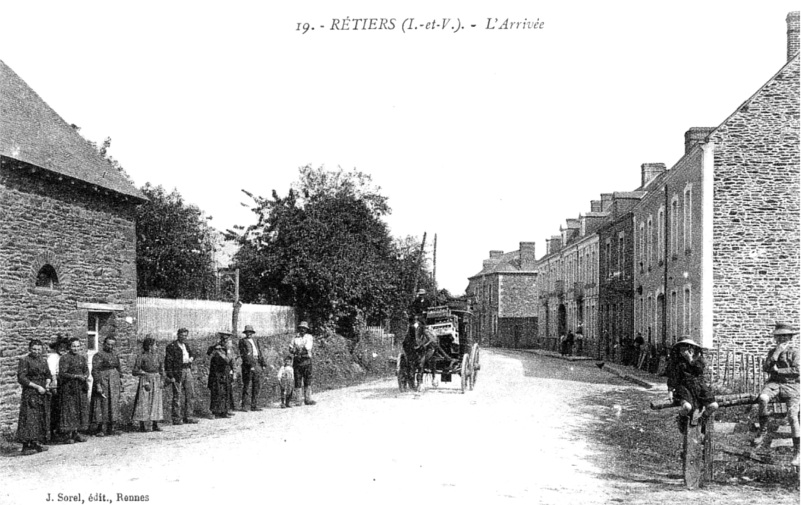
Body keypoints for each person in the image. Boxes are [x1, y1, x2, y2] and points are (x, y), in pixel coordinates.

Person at [752, 322, 799, 466]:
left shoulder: (795, 352)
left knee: (792, 416)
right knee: (763, 398)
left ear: (790, 338)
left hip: (792, 385)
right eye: (779, 337)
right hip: (774, 384)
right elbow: (766, 367)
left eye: (785, 337)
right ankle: (762, 430)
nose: (782, 340)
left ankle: (798, 452)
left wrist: (779, 370)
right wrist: (777, 353)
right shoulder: (772, 352)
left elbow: (798, 370)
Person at [666, 338, 718, 433]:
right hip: (684, 387)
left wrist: (690, 359)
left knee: (713, 405)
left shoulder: (698, 358)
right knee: (687, 407)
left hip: (699, 386)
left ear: (691, 348)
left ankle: (702, 421)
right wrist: (670, 391)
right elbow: (673, 377)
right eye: (681, 348)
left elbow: (700, 370)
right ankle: (681, 419)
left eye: (686, 347)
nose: (684, 350)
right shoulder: (676, 361)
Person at [17, 339, 51, 455]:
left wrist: (46, 384)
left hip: (42, 391)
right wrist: (37, 387)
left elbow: (48, 374)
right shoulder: (25, 360)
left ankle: (36, 442)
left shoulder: (43, 361)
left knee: (40, 417)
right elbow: (22, 378)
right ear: (29, 349)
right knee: (29, 418)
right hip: (30, 392)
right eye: (34, 349)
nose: (36, 351)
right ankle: (26, 446)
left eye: (39, 349)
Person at [90, 336, 123, 437]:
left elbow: (119, 368)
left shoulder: (115, 355)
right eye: (108, 344)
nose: (110, 346)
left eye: (112, 345)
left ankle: (112, 427)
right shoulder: (98, 355)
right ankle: (101, 429)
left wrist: (121, 382)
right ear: (104, 344)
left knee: (113, 403)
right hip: (103, 380)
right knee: (102, 403)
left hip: (114, 380)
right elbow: (95, 371)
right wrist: (98, 385)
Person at [58, 338, 89, 443]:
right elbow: (62, 373)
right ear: (69, 347)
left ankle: (76, 433)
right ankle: (68, 435)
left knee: (79, 409)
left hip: (80, 387)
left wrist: (85, 376)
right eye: (73, 346)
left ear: (80, 347)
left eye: (77, 346)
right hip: (69, 387)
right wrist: (76, 376)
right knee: (70, 410)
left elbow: (86, 370)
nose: (75, 348)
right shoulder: (65, 358)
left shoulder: (82, 358)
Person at [165, 328, 198, 425]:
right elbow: (168, 362)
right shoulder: (171, 346)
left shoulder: (186, 345)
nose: (184, 337)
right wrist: (171, 375)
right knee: (177, 395)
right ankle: (176, 418)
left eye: (185, 336)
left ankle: (189, 416)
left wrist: (191, 357)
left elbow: (191, 354)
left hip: (187, 370)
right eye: (182, 335)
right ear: (178, 335)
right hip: (177, 372)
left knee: (190, 393)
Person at [131, 336, 165, 432]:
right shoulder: (141, 356)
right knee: (144, 402)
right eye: (155, 345)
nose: (156, 347)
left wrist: (162, 380)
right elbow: (134, 371)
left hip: (156, 380)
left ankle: (155, 424)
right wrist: (143, 374)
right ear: (149, 346)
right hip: (145, 380)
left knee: (156, 401)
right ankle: (143, 425)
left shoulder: (158, 356)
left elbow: (162, 369)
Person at [46, 336, 70, 441]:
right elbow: (52, 371)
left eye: (65, 347)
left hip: (65, 383)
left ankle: (63, 431)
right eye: (60, 347)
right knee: (55, 407)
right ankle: (53, 432)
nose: (62, 349)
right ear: (56, 347)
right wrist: (54, 383)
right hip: (56, 382)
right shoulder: (53, 357)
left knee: (64, 407)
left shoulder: (66, 357)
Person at [239, 325, 266, 411]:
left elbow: (259, 352)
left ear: (252, 333)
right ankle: (245, 406)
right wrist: (250, 365)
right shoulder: (242, 341)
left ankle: (254, 405)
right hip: (248, 365)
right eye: (247, 332)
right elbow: (243, 354)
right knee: (247, 384)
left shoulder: (255, 340)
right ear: (245, 333)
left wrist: (263, 363)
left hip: (257, 363)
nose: (249, 334)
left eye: (250, 332)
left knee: (257, 384)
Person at [208, 337, 234, 419]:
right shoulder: (217, 351)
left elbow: (231, 360)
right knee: (217, 391)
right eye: (228, 343)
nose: (230, 344)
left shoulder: (228, 350)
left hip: (225, 373)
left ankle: (224, 411)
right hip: (217, 374)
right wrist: (216, 348)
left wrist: (233, 370)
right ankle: (215, 412)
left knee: (225, 392)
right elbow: (225, 360)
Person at [291, 321, 316, 406]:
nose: (302, 329)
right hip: (297, 361)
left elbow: (308, 347)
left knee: (307, 380)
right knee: (297, 380)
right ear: (299, 329)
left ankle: (308, 399)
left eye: (304, 328)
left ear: (306, 330)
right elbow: (290, 347)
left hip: (306, 361)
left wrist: (298, 349)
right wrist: (293, 349)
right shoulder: (295, 337)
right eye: (301, 328)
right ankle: (298, 400)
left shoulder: (309, 337)